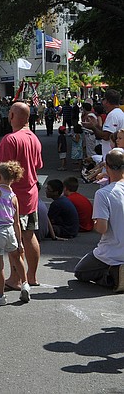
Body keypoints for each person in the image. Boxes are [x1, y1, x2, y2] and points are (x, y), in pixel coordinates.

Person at [0, 101, 43, 288]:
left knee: (14, 239)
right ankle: (31, 276)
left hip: (11, 198)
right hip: (30, 194)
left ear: (12, 116)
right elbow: (37, 166)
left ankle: (15, 279)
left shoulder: (10, 139)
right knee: (29, 235)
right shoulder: (34, 138)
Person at [74, 148, 124, 293]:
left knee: (80, 272)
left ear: (107, 167)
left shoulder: (103, 194)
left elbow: (101, 228)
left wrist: (95, 221)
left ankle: (114, 276)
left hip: (112, 252)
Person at [0, 161, 30, 305]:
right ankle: (25, 284)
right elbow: (17, 222)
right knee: (16, 257)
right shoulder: (14, 197)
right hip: (10, 232)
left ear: (0, 177)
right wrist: (20, 242)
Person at [84, 89, 124, 157]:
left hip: (111, 156)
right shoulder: (119, 113)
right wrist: (96, 125)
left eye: (103, 99)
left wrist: (92, 127)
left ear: (107, 101)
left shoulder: (113, 115)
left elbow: (106, 136)